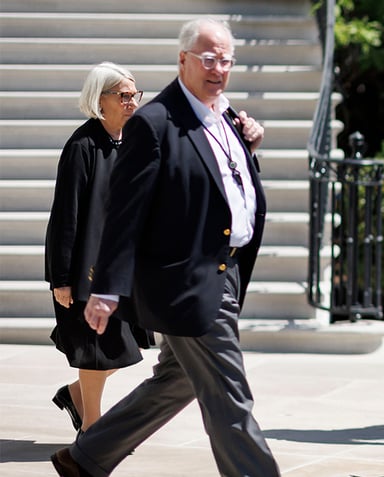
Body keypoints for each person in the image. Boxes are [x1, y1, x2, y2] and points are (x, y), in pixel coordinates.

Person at [49, 18, 280, 477]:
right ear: (183, 60)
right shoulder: (154, 123)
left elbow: (222, 189)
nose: (218, 69)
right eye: (208, 59)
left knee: (177, 380)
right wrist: (107, 287)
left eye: (226, 60)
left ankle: (86, 457)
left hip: (225, 271)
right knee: (230, 398)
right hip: (185, 280)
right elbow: (123, 211)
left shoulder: (228, 117)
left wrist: (248, 149)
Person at [45, 62, 153, 436]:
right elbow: (65, 216)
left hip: (124, 268)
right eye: (123, 95)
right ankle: (92, 429)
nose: (132, 102)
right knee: (96, 350)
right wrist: (60, 277)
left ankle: (76, 396)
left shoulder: (133, 143)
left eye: (134, 94)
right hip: (86, 270)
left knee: (119, 349)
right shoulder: (81, 147)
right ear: (100, 99)